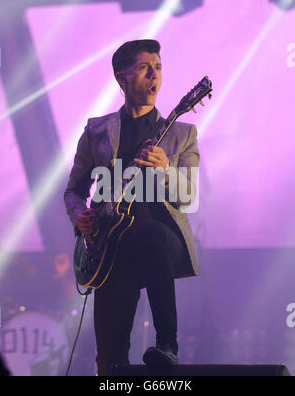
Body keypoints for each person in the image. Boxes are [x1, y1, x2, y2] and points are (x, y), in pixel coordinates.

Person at [64, 39, 200, 376]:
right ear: (122, 78)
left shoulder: (182, 134)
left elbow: (189, 197)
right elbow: (74, 190)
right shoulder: (96, 130)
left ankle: (167, 343)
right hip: (111, 245)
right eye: (144, 67)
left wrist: (165, 169)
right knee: (110, 357)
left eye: (158, 67)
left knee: (149, 231)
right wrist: (79, 216)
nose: (155, 74)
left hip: (160, 238)